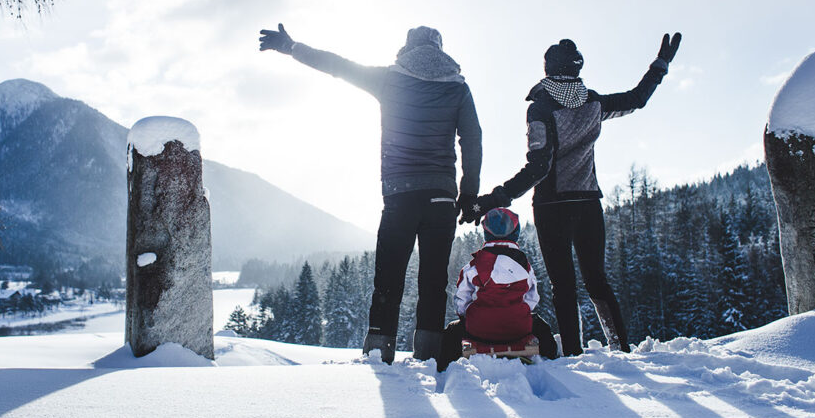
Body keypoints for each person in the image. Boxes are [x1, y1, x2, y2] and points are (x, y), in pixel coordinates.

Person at [259, 23, 482, 364]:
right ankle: (430, 356)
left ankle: (380, 354)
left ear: (407, 48)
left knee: (389, 277)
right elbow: (473, 141)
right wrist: (468, 194)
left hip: (399, 194)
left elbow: (337, 65)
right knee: (434, 281)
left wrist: (291, 47)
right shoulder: (459, 88)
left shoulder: (390, 79)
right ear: (440, 49)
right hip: (441, 196)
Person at [462, 33, 682, 356]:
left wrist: (494, 199)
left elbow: (537, 168)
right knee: (597, 281)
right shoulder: (592, 102)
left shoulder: (541, 108)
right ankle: (621, 351)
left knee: (563, 287)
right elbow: (637, 99)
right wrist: (660, 65)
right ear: (577, 68)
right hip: (589, 204)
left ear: (548, 69)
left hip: (552, 208)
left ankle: (575, 357)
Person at [439, 207, 558, 371]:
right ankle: (551, 356)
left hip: (479, 330)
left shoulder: (474, 266)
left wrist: (470, 317)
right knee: (541, 327)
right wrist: (517, 313)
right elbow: (532, 298)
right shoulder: (525, 266)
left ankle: (443, 366)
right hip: (518, 329)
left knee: (452, 331)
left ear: (486, 233)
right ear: (515, 232)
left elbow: (461, 299)